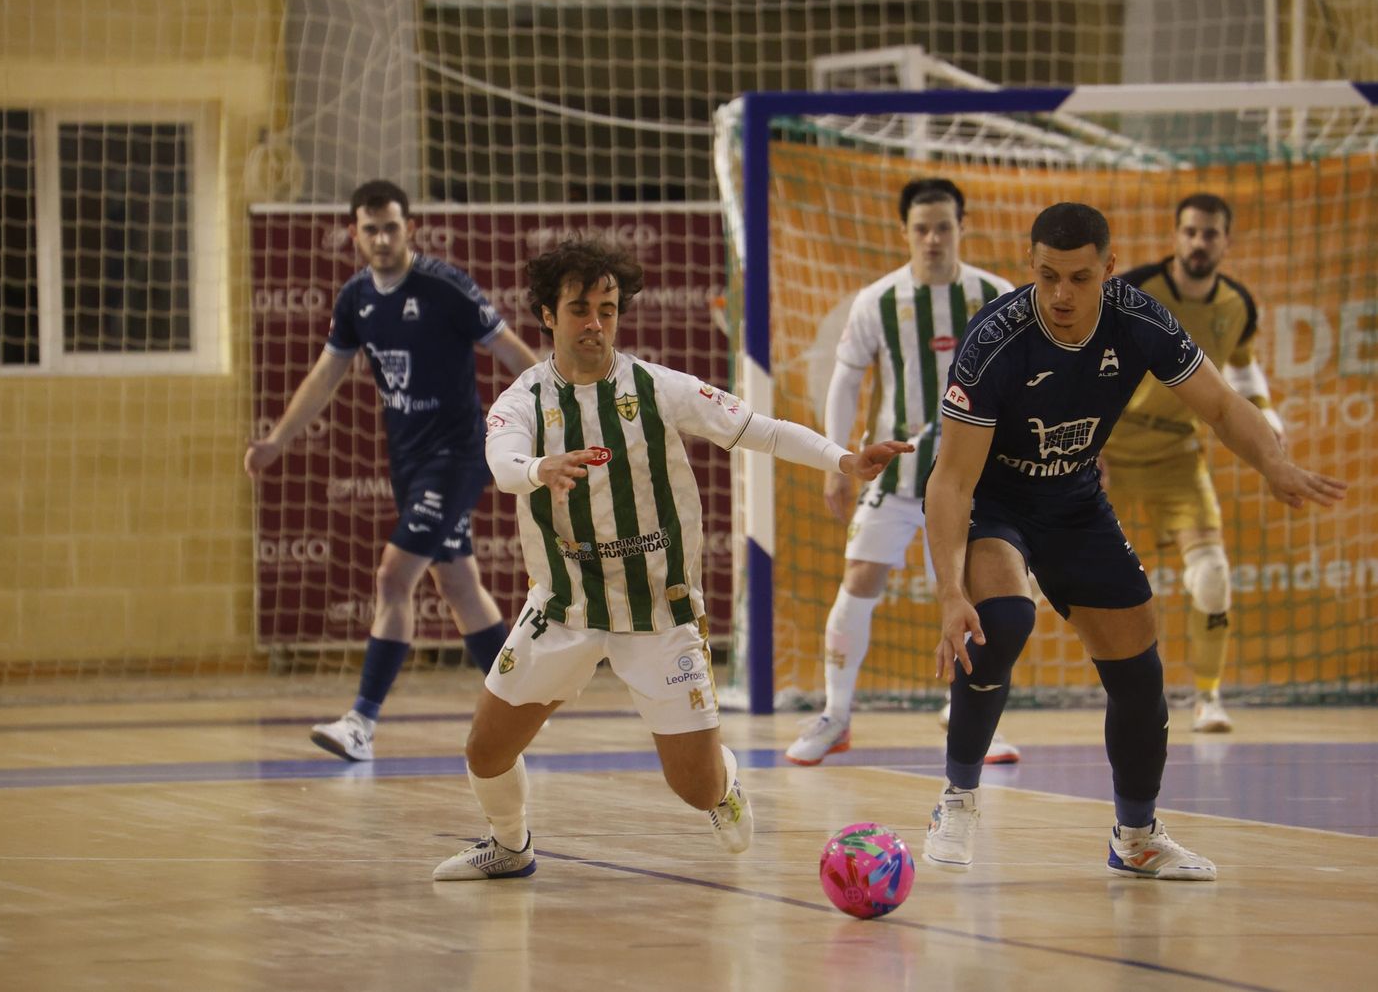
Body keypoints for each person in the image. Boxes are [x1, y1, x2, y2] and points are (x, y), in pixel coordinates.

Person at [432, 238, 913, 880]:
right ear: (548, 315)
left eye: (607, 309)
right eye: (579, 308)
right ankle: (510, 846)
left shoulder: (657, 388)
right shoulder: (523, 400)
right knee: (485, 751)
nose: (595, 324)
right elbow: (502, 463)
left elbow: (760, 430)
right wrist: (539, 467)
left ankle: (723, 783)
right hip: (565, 607)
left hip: (658, 610)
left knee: (695, 787)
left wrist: (842, 460)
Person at [922, 203, 1345, 880]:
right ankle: (957, 797)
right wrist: (949, 592)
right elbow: (950, 482)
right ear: (1031, 266)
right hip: (995, 503)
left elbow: (1222, 405)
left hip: (1076, 503)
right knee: (1001, 618)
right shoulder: (994, 339)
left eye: (1079, 278)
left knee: (1140, 672)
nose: (1060, 295)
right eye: (1047, 276)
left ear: (1109, 270)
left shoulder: (1140, 319)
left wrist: (1272, 462)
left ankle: (1137, 836)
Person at [245, 179, 539, 762]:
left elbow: (509, 350)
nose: (381, 238)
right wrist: (278, 439)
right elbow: (326, 375)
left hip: (455, 457)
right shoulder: (355, 298)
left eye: (391, 227)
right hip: (406, 461)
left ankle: (361, 722)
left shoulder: (444, 287)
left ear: (410, 229)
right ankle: (523, 708)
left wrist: (558, 405)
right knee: (458, 585)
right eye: (370, 229)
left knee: (391, 578)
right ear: (354, 235)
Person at [787, 177, 1021, 767]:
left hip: (975, 476)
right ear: (905, 233)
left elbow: (1029, 382)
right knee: (860, 579)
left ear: (962, 228)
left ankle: (971, 717)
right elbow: (846, 379)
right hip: (899, 471)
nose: (933, 239)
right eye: (922, 229)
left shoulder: (998, 297)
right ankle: (836, 717)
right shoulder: (879, 302)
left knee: (985, 594)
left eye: (944, 226)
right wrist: (838, 459)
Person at [1103, 193, 1285, 733]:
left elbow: (1243, 367)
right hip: (1106, 449)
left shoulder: (1238, 305)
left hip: (1177, 456)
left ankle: (1207, 698)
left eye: (1210, 233)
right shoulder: (1132, 292)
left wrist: (1268, 416)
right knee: (1032, 573)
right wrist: (1084, 445)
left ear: (1226, 241)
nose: (1198, 242)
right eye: (1190, 232)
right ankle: (985, 701)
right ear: (1175, 236)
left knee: (1211, 576)